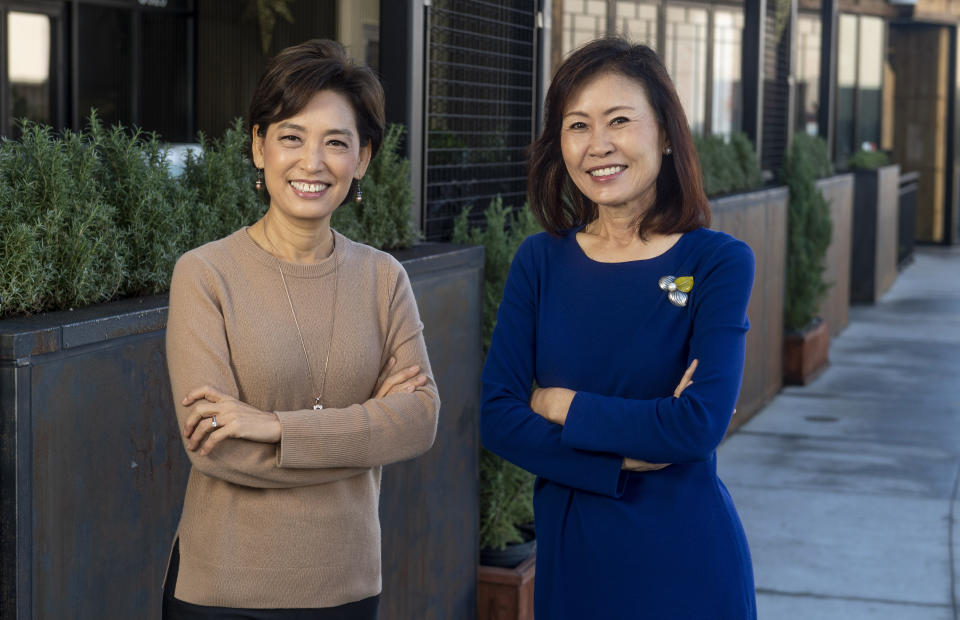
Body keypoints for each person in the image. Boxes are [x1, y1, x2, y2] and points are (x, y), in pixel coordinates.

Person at [163, 39, 440, 619]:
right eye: (291, 137)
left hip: (349, 583)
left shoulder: (384, 279)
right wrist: (365, 433)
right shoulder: (205, 274)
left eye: (336, 143)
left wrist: (271, 427)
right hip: (225, 589)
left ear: (362, 158)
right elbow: (218, 449)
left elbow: (418, 421)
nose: (312, 162)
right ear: (259, 147)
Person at [481, 37, 757, 619]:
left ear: (663, 133)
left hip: (687, 565)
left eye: (619, 120)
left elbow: (695, 425)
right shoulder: (540, 261)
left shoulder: (716, 262)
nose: (598, 145)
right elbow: (497, 418)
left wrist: (559, 402)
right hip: (573, 565)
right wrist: (622, 458)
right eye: (577, 125)